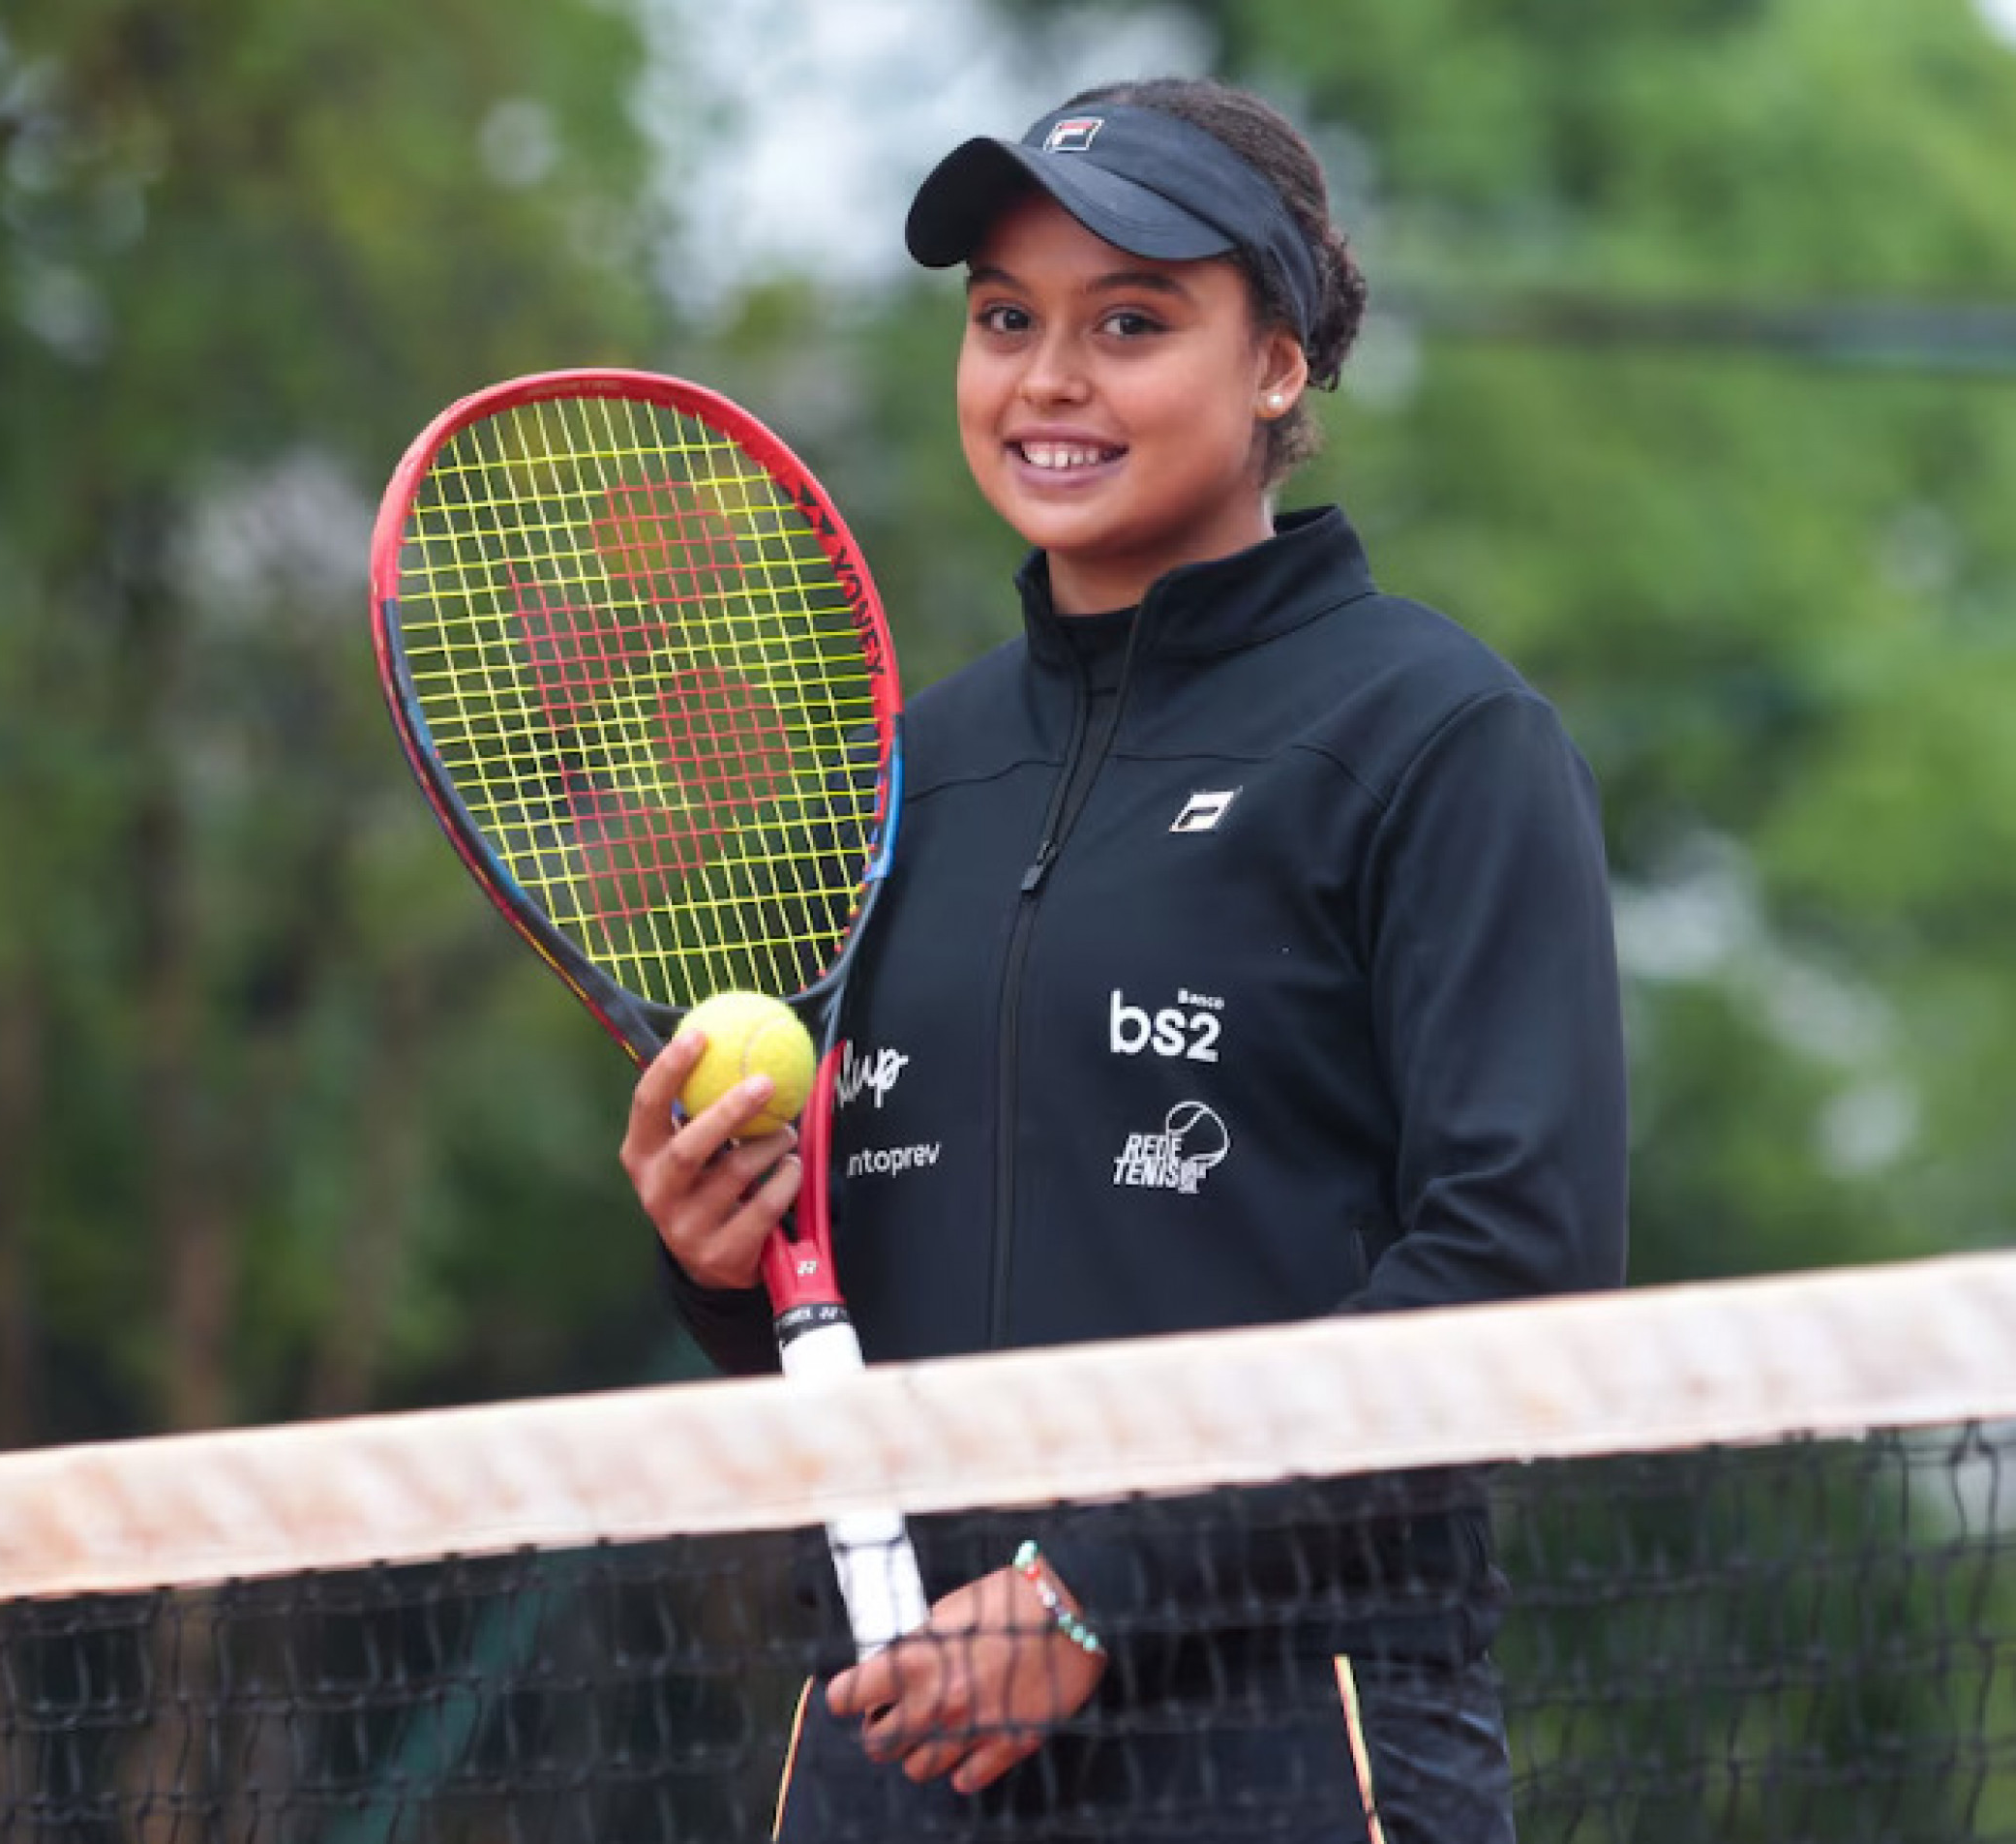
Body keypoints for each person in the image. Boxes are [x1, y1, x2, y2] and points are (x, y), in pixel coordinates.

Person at [621, 75, 1627, 1844]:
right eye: (1005, 319)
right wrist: (723, 1262)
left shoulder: (1438, 735)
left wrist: (1094, 1590)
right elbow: (849, 1289)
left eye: (1131, 321)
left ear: (1278, 363)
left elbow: (1515, 1266)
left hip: (1291, 1749)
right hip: (894, 1743)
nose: (1047, 380)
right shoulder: (902, 780)